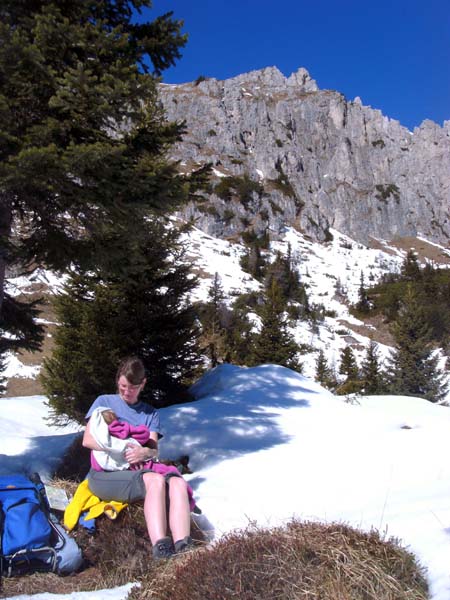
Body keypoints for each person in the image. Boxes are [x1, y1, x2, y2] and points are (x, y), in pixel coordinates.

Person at [82, 356, 193, 560]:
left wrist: (143, 452)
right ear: (118, 381)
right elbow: (87, 440)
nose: (126, 391)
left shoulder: (150, 414)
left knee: (177, 482)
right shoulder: (104, 402)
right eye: (123, 386)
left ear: (143, 384)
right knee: (155, 480)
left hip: (139, 470)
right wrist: (120, 449)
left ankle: (184, 546)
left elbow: (153, 450)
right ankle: (161, 547)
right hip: (105, 475)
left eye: (132, 387)